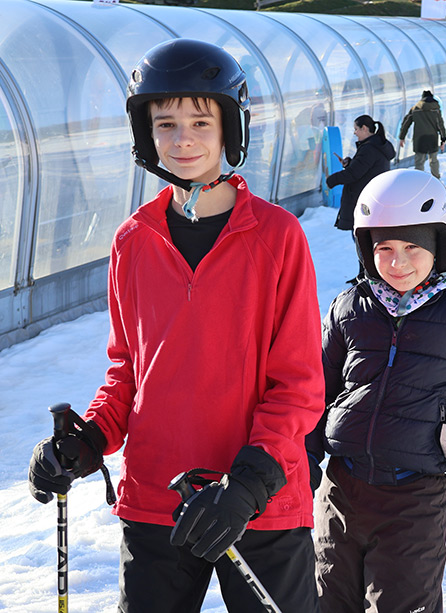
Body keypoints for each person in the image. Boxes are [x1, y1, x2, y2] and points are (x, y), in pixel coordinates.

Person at [26, 39, 325, 612]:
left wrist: (247, 486)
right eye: (166, 124)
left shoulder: (276, 236)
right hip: (158, 499)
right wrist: (87, 441)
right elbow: (129, 372)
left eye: (200, 122)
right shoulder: (133, 241)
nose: (183, 138)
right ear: (147, 134)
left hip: (258, 502)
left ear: (229, 127)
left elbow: (299, 385)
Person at [308, 168, 446, 613]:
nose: (398, 263)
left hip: (411, 498)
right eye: (384, 249)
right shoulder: (351, 307)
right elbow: (318, 388)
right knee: (329, 603)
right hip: (340, 491)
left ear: (439, 245)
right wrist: (302, 456)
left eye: (412, 247)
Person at [326, 114, 396, 283]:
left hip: (365, 200)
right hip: (373, 198)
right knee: (364, 239)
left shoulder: (369, 149)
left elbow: (354, 174)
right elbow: (364, 168)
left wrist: (331, 180)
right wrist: (350, 163)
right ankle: (364, 274)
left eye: (356, 129)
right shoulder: (377, 145)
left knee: (362, 240)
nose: (355, 133)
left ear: (365, 128)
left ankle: (368, 276)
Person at [398, 90, 446, 179]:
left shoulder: (415, 109)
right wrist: (443, 139)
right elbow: (440, 125)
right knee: (433, 161)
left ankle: (419, 180)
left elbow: (406, 123)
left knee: (419, 162)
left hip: (419, 139)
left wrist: (402, 137)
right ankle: (436, 179)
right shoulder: (436, 109)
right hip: (432, 138)